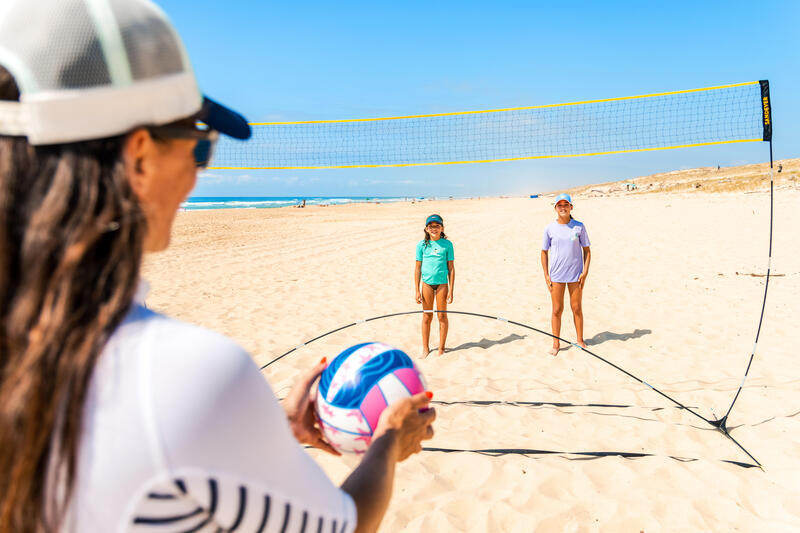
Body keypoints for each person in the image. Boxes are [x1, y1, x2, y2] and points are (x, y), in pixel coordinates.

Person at [0, 2, 435, 532]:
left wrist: (268, 434)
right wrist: (389, 442)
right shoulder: (184, 375)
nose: (199, 173)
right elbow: (344, 525)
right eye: (200, 146)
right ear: (139, 157)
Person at [541, 194, 591, 355]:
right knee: (557, 309)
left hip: (575, 275)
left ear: (571, 207)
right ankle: (556, 344)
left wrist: (585, 272)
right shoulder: (549, 228)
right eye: (559, 205)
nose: (563, 208)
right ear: (555, 208)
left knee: (576, 308)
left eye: (566, 205)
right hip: (556, 275)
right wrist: (546, 275)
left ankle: (580, 340)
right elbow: (543, 252)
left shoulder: (579, 226)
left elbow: (587, 250)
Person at [414, 214, 455, 357]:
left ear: (442, 228)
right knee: (427, 317)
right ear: (426, 229)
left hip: (442, 285)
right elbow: (417, 268)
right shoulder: (422, 245)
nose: (434, 228)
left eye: (437, 226)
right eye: (431, 226)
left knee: (442, 316)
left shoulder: (447, 244)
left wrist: (451, 290)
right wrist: (417, 291)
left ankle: (441, 348)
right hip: (427, 285)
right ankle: (425, 348)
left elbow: (451, 268)